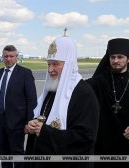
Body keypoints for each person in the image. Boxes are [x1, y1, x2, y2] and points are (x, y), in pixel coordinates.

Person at [25, 36, 99, 168]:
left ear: (69, 64)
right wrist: (33, 124)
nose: (50, 70)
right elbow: (43, 120)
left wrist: (45, 132)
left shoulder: (83, 93)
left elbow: (86, 138)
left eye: (55, 64)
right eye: (48, 64)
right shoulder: (52, 89)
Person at [0, 45, 37, 168]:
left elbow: (31, 100)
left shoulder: (25, 73)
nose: (8, 59)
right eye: (6, 56)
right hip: (1, 119)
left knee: (17, 154)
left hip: (18, 122)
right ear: (2, 57)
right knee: (4, 153)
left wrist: (29, 122)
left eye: (11, 56)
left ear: (16, 57)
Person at [86, 38, 129, 168]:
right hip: (103, 144)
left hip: (127, 144)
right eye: (112, 57)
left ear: (128, 59)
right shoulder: (100, 80)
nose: (115, 60)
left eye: (120, 57)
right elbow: (80, 90)